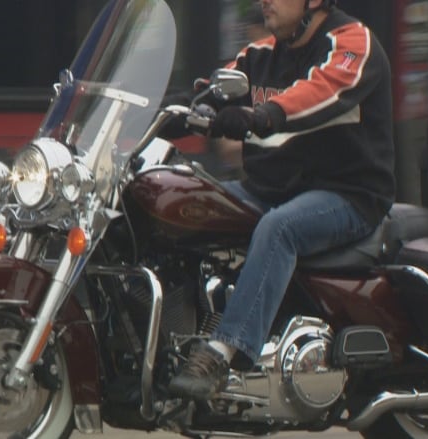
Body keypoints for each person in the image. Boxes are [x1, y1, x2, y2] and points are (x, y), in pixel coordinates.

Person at [167, 0, 396, 400]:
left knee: (281, 227)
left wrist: (263, 115)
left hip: (347, 196)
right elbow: (221, 83)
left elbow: (319, 91)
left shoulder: (352, 43)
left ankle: (223, 351)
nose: (264, 1)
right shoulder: (261, 53)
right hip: (270, 189)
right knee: (185, 200)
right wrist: (194, 104)